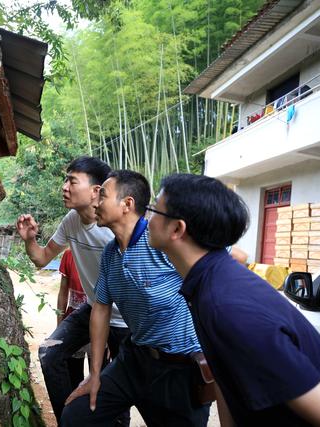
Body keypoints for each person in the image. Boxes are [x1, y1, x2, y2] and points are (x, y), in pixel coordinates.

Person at [147, 173, 320, 427]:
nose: (148, 219)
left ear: (177, 229)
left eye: (153, 210)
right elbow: (226, 378)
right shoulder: (211, 282)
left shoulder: (229, 306)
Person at [61, 170, 210, 427]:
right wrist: (95, 373)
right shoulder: (110, 254)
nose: (95, 203)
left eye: (103, 196)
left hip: (180, 369)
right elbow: (101, 308)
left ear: (127, 204)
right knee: (78, 417)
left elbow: (225, 260)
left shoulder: (164, 242)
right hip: (134, 359)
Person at [15, 156, 130, 424]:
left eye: (72, 181)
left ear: (95, 191)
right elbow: (42, 258)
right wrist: (30, 239)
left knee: (118, 387)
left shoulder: (115, 227)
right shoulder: (72, 220)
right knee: (49, 353)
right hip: (94, 309)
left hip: (126, 319)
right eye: (65, 180)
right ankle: (69, 420)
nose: (64, 186)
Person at [58, 249, 89, 387]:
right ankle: (76, 408)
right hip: (73, 320)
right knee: (73, 375)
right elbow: (63, 291)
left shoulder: (105, 251)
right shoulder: (69, 254)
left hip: (99, 323)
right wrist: (60, 327)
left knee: (101, 374)